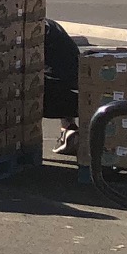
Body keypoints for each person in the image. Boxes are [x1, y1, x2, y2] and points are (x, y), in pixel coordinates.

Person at [45, 18, 81, 155]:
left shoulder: (27, 31)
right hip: (78, 86)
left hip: (58, 95)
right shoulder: (50, 25)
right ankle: (68, 129)